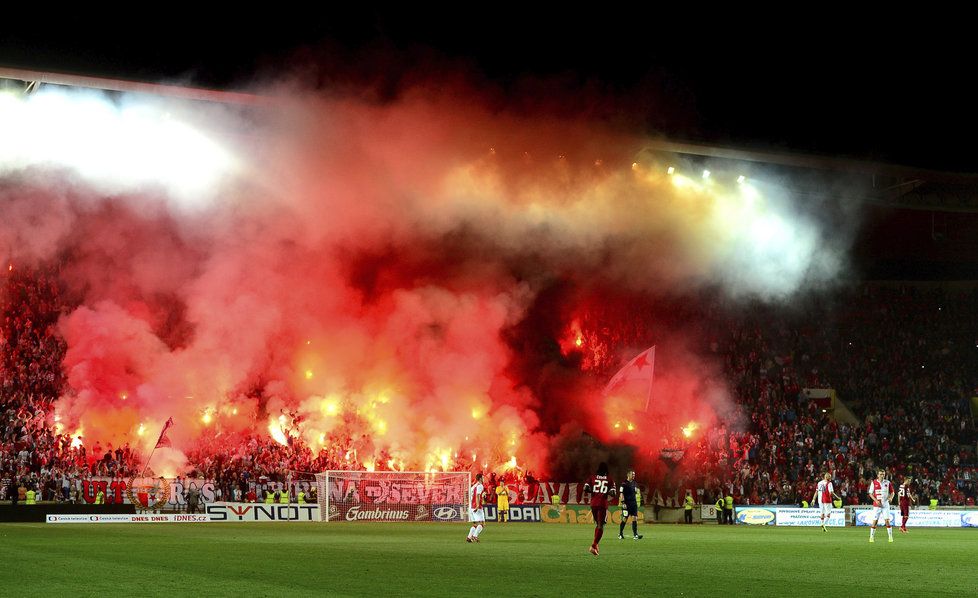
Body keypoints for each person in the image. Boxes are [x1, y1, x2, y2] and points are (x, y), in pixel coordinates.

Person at [583, 462, 616, 556]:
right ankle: (593, 545)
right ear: (606, 470)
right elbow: (613, 493)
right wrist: (606, 492)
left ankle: (596, 545)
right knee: (601, 525)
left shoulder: (592, 477)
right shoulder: (609, 479)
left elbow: (585, 488)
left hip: (593, 504)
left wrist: (594, 491)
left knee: (598, 524)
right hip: (602, 504)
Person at [868, 470, 894, 543]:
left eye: (883, 474)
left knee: (887, 521)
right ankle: (871, 537)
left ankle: (890, 537)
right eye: (881, 474)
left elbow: (892, 492)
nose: (882, 475)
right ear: (878, 475)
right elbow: (870, 493)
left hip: (885, 505)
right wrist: (876, 500)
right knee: (875, 522)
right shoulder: (874, 482)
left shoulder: (887, 482)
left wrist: (891, 497)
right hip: (877, 505)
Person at [618, 470, 643, 539]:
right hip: (626, 504)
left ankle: (635, 535)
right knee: (624, 518)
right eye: (633, 474)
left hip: (633, 504)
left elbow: (636, 492)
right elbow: (621, 494)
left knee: (634, 518)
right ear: (628, 475)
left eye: (634, 475)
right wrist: (623, 503)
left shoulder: (634, 483)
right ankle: (620, 534)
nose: (634, 476)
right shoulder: (624, 483)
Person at [466, 473, 487, 543]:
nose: (484, 479)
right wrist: (477, 506)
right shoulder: (480, 486)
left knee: (475, 524)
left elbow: (471, 495)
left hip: (471, 507)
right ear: (480, 479)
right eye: (483, 478)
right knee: (482, 523)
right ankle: (475, 536)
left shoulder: (473, 486)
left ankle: (469, 537)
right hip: (476, 507)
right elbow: (477, 495)